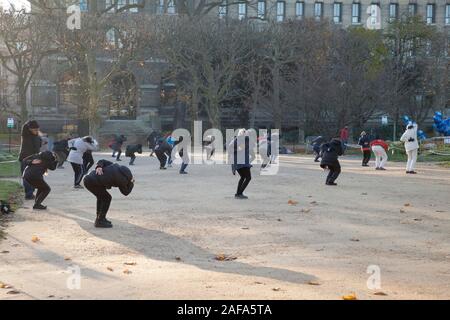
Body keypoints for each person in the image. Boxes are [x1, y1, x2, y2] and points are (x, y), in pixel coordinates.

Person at [83, 159, 134, 228]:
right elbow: (125, 192)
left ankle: (100, 218)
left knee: (102, 197)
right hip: (92, 182)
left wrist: (99, 166)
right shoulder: (122, 180)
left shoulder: (114, 165)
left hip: (88, 179)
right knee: (107, 198)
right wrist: (132, 183)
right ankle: (100, 220)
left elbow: (102, 160)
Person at [18, 120, 42, 200]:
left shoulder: (25, 135)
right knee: (28, 177)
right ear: (30, 129)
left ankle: (30, 193)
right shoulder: (32, 137)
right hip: (29, 159)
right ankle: (29, 194)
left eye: (37, 129)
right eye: (35, 130)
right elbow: (37, 148)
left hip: (26, 158)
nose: (37, 131)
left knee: (29, 177)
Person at [229, 129, 252, 199]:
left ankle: (238, 193)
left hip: (238, 162)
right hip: (242, 162)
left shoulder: (237, 139)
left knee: (243, 177)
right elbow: (231, 148)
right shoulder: (243, 140)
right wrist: (239, 149)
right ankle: (239, 193)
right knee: (248, 177)